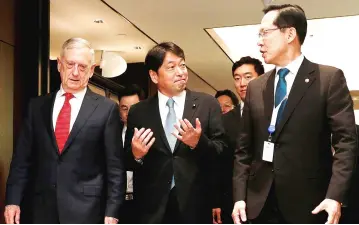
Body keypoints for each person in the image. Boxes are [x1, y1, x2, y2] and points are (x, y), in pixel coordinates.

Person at [232, 4, 357, 224]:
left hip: (310, 204)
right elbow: (244, 150)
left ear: (290, 33)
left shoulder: (328, 79)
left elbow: (346, 143)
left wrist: (335, 196)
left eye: (265, 33)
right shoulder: (256, 87)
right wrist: (240, 198)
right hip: (260, 206)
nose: (259, 41)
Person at [4, 38, 125, 224]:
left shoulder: (106, 109)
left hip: (87, 210)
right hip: (40, 208)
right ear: (60, 65)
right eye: (70, 64)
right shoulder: (37, 106)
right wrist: (12, 200)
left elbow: (115, 167)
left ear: (92, 71)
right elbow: (21, 159)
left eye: (83, 67)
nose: (75, 72)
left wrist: (113, 211)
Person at [124, 42, 225, 223]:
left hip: (195, 206)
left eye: (183, 65)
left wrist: (198, 142)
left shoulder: (207, 104)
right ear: (154, 76)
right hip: (151, 209)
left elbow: (222, 153)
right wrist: (136, 155)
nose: (181, 72)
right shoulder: (139, 112)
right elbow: (126, 160)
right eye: (171, 67)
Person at [216, 57, 264, 224]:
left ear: (262, 78)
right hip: (233, 200)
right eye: (237, 78)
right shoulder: (225, 121)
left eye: (248, 77)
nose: (242, 83)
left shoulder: (275, 114)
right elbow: (219, 164)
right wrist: (217, 201)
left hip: (267, 199)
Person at [118, 84, 144, 223]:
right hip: (117, 201)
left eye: (133, 108)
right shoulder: (111, 132)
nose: (128, 113)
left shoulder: (152, 133)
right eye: (124, 108)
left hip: (142, 201)